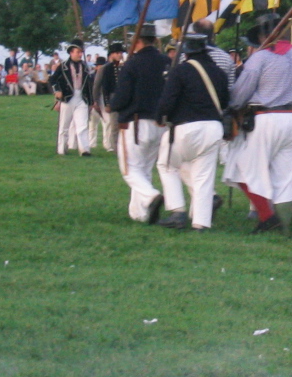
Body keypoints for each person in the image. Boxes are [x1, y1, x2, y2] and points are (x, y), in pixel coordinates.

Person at [224, 12, 292, 235]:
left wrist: (232, 108)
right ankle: (283, 227)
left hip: (267, 117)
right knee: (287, 176)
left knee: (242, 168)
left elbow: (241, 93)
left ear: (262, 35)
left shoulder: (260, 58)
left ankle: (267, 217)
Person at [156, 33, 230, 230]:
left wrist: (160, 116)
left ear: (186, 52)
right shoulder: (219, 73)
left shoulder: (180, 71)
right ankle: (201, 222)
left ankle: (177, 211)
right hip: (213, 127)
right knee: (203, 177)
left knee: (167, 165)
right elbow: (224, 102)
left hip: (186, 127)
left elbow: (167, 101)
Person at [109, 24, 170, 223]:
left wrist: (113, 104)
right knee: (144, 169)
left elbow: (122, 97)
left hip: (135, 124)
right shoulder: (166, 62)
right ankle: (140, 213)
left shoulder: (132, 64)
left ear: (137, 41)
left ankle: (151, 196)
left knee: (130, 170)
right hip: (159, 123)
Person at [50, 39, 94, 156]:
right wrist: (57, 90)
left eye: (81, 52)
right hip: (68, 98)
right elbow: (53, 80)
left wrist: (91, 101)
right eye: (78, 52)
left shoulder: (85, 66)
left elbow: (89, 85)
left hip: (82, 98)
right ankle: (61, 149)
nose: (80, 54)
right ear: (71, 52)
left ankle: (84, 149)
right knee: (64, 125)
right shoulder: (63, 66)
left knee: (82, 125)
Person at [94, 43, 123, 152]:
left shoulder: (124, 67)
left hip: (123, 98)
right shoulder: (105, 69)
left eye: (121, 53)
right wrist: (99, 101)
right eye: (117, 53)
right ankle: (115, 147)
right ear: (111, 55)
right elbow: (100, 86)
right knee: (113, 124)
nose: (120, 55)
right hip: (112, 98)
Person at [192, 19, 236, 88]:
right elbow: (230, 88)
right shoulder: (227, 58)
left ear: (194, 34)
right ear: (212, 35)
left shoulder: (185, 57)